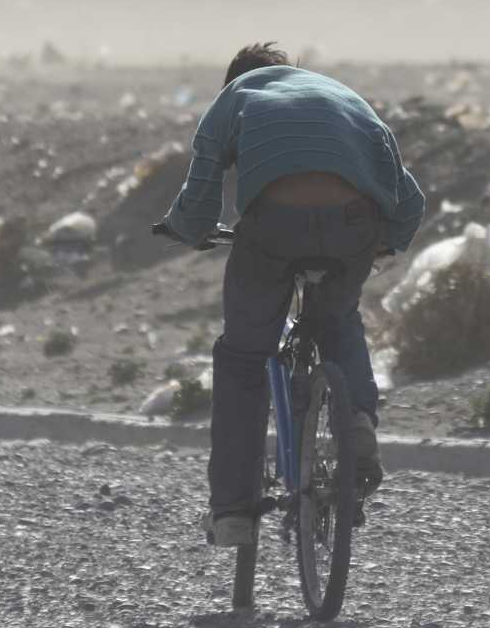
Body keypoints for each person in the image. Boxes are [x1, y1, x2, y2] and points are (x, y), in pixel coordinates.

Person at [156, 42, 425, 547]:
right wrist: (384, 243)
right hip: (353, 224)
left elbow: (199, 197)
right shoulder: (345, 98)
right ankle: (357, 422)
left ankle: (234, 510)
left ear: (234, 79)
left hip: (274, 227)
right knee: (339, 318)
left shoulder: (235, 97)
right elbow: (410, 200)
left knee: (242, 357)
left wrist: (186, 230)